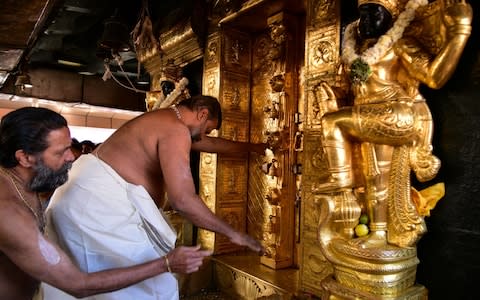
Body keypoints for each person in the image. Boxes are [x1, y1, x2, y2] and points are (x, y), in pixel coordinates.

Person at [44, 95, 266, 299]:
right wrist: (233, 234)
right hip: (95, 206)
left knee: (115, 284)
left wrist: (257, 148)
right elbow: (183, 201)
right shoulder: (175, 129)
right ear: (202, 113)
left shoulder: (165, 121)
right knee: (150, 288)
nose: (205, 136)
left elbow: (210, 144)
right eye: (208, 129)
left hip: (82, 201)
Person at [0, 107, 212, 300]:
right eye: (59, 152)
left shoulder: (27, 183)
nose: (70, 158)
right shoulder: (9, 212)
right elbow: (77, 284)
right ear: (25, 158)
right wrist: (166, 264)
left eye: (68, 147)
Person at [314, 0, 471, 247]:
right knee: (375, 176)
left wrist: (460, 32)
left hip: (399, 113)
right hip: (368, 116)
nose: (365, 20)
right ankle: (378, 234)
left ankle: (340, 181)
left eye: (373, 13)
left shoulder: (399, 43)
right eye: (362, 14)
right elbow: (351, 88)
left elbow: (434, 76)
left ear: (391, 17)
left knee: (332, 122)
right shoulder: (355, 50)